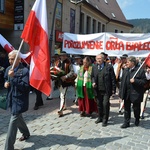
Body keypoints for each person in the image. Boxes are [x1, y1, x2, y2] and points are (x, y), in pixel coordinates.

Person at [4, 50, 30, 150]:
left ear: (19, 60)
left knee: (13, 121)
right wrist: (6, 83)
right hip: (11, 98)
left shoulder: (24, 71)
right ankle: (26, 133)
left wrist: (13, 78)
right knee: (18, 118)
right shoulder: (8, 69)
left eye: (13, 59)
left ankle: (8, 147)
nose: (10, 61)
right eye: (9, 59)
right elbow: (6, 78)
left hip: (20, 100)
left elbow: (25, 87)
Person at [119, 56, 147, 128]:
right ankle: (126, 122)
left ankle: (137, 119)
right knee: (126, 109)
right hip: (127, 93)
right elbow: (122, 83)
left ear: (133, 63)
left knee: (136, 108)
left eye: (128, 62)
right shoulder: (126, 70)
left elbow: (144, 82)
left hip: (135, 93)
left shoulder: (140, 71)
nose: (127, 63)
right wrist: (121, 94)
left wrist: (135, 81)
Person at [91, 53, 116, 127]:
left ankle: (105, 119)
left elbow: (113, 78)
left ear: (103, 59)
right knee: (99, 104)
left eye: (100, 58)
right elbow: (92, 76)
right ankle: (100, 117)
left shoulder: (109, 67)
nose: (98, 60)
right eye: (97, 58)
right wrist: (93, 82)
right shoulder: (94, 67)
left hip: (106, 89)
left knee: (105, 104)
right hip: (97, 89)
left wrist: (113, 89)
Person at [56, 51, 75, 117]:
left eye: (64, 55)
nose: (63, 57)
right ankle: (65, 106)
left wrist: (66, 76)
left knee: (62, 95)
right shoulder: (57, 62)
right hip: (59, 81)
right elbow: (55, 70)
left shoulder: (69, 63)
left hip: (66, 81)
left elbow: (72, 72)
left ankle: (61, 110)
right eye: (62, 55)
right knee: (62, 95)